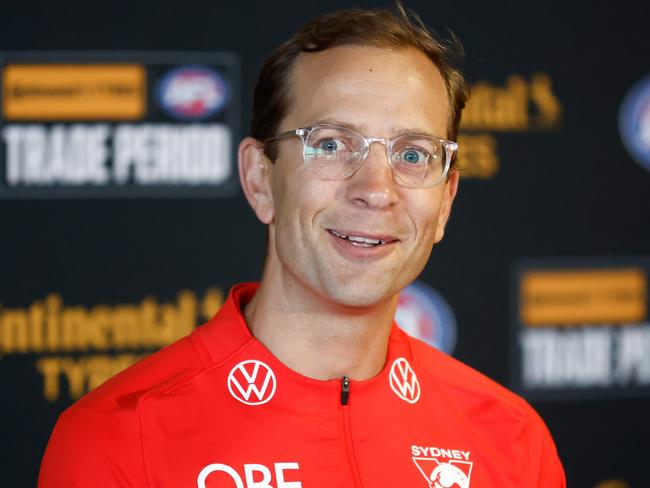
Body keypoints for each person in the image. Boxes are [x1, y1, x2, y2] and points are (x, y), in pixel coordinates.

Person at [39, 4, 566, 487]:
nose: (376, 191)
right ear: (260, 179)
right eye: (332, 144)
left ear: (446, 200)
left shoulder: (512, 440)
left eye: (413, 154)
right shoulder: (117, 440)